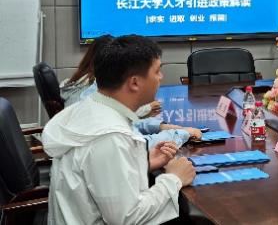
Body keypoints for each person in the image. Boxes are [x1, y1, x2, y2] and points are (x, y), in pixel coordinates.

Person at [43, 35, 197, 224]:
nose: (161, 77)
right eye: (157, 71)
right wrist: (174, 179)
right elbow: (127, 218)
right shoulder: (110, 137)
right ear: (134, 83)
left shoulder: (91, 107)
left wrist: (142, 162)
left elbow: (98, 176)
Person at [62, 34, 201, 147]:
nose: (161, 77)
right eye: (157, 71)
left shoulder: (100, 97)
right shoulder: (101, 118)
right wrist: (181, 134)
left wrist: (161, 126)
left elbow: (129, 124)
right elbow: (137, 145)